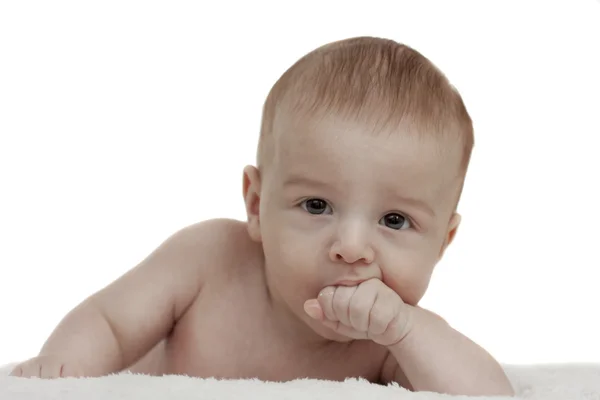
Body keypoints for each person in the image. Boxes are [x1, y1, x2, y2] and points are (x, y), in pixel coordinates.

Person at [10, 36, 514, 396]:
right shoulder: (206, 261)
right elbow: (110, 324)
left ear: (443, 243)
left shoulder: (393, 342)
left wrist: (405, 330)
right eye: (316, 206)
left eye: (396, 220)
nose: (352, 246)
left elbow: (487, 395)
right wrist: (64, 374)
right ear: (256, 204)